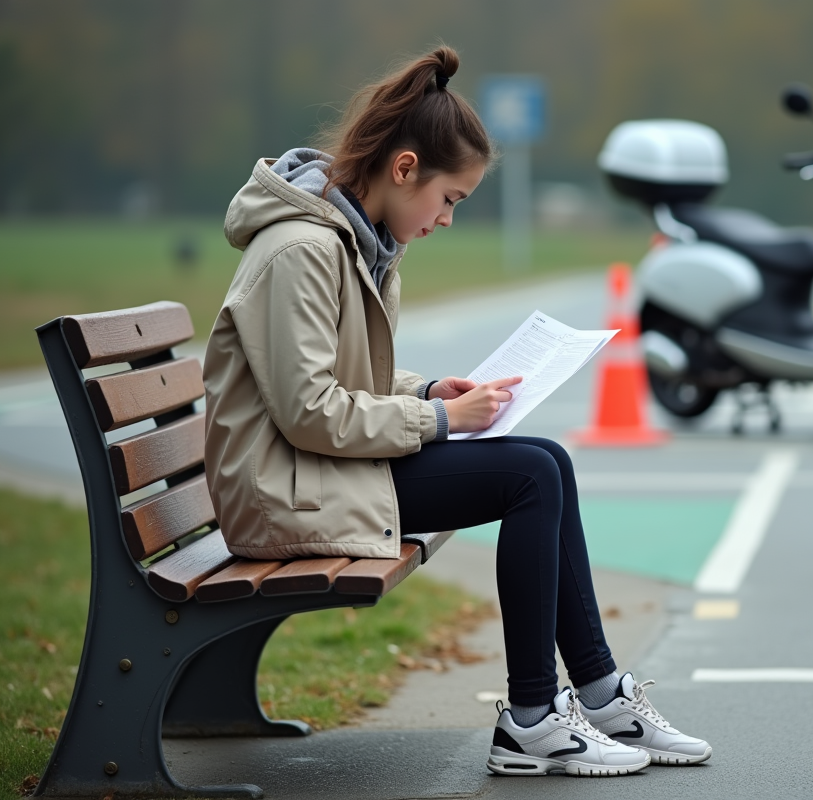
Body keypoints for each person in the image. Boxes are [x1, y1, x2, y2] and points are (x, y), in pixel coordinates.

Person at [203, 45, 710, 777]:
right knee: (530, 475)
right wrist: (441, 422)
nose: (446, 220)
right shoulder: (301, 251)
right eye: (450, 199)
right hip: (285, 487)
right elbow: (310, 410)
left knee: (547, 461)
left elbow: (340, 381)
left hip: (319, 469)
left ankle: (596, 693)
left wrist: (424, 393)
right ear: (404, 167)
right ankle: (534, 719)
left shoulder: (356, 242)